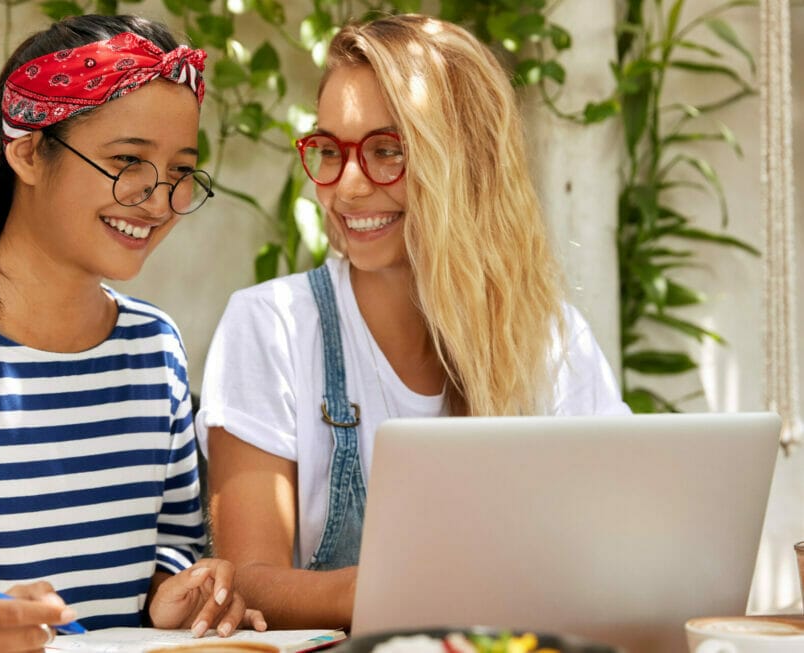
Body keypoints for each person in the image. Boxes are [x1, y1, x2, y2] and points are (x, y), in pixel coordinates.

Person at [0, 14, 265, 653]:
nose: (159, 199)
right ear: (27, 150)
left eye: (179, 172)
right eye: (128, 161)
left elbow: (174, 539)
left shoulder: (153, 350)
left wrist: (167, 590)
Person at [195, 13, 631, 630]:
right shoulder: (273, 327)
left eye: (387, 151)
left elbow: (621, 544)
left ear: (467, 163)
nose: (346, 188)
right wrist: (392, 591)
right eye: (328, 149)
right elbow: (247, 582)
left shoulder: (549, 338)